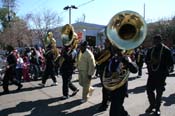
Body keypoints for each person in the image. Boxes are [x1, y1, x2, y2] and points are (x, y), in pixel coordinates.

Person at [145, 34, 174, 115]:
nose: (155, 42)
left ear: (160, 40)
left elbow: (171, 63)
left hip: (161, 75)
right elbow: (146, 60)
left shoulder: (166, 50)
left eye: (157, 40)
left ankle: (157, 108)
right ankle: (152, 105)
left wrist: (160, 62)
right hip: (152, 75)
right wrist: (150, 62)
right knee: (149, 90)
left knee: (159, 92)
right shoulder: (150, 50)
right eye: (154, 41)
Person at [96, 38, 112, 111]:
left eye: (106, 42)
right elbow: (97, 59)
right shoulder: (103, 50)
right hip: (102, 71)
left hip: (108, 72)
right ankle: (108, 99)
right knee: (106, 88)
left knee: (105, 88)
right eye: (105, 41)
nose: (105, 43)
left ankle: (104, 104)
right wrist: (97, 52)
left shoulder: (112, 51)